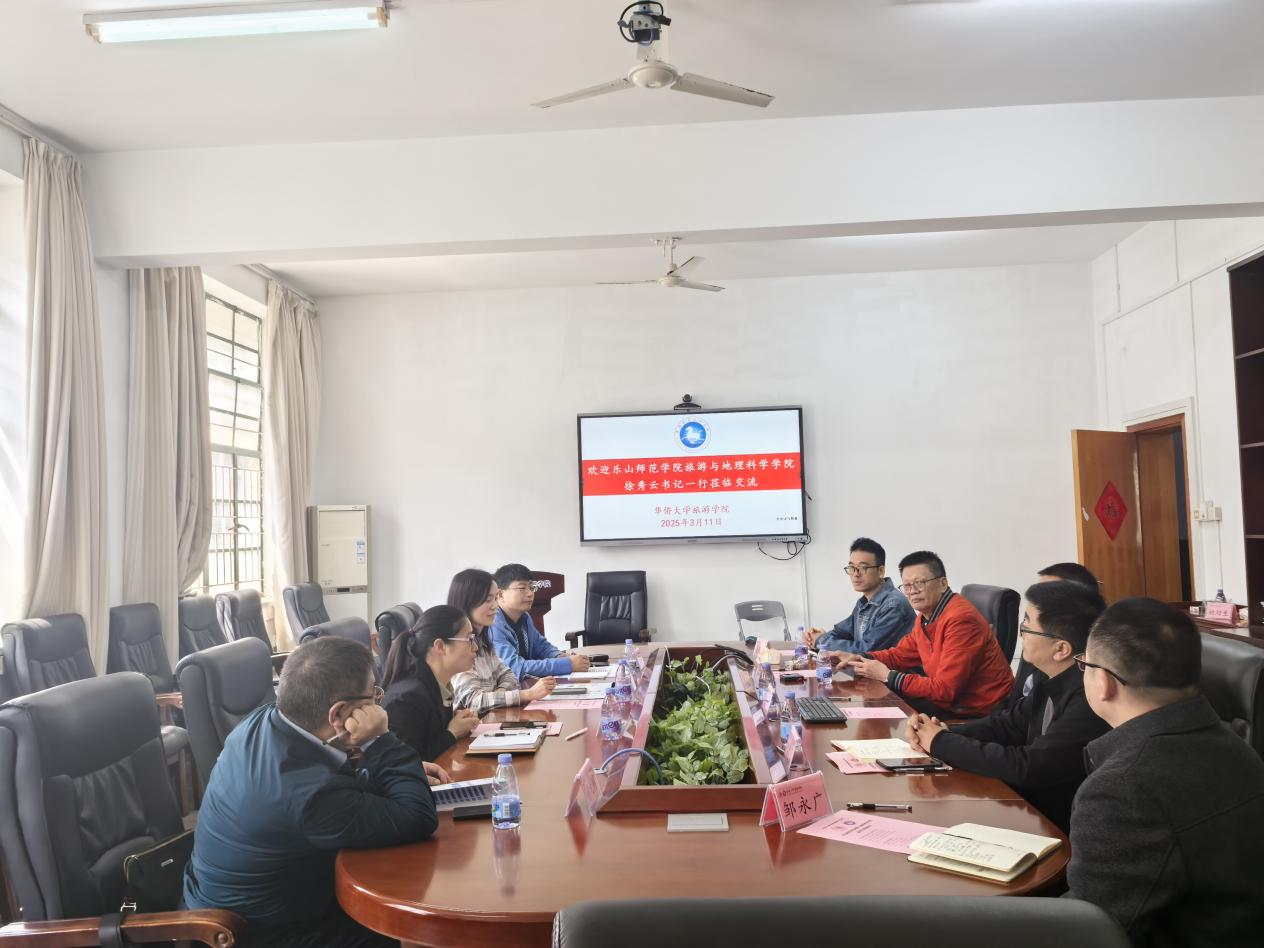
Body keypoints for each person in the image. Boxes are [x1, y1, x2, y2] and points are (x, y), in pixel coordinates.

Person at [183, 636, 440, 948]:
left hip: (238, 899)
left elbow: (327, 780)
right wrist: (381, 741)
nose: (378, 703)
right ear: (339, 714)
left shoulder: (262, 719)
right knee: (418, 930)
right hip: (260, 934)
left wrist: (392, 768)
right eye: (373, 695)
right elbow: (418, 817)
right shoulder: (310, 797)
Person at [1064, 598, 1264, 947]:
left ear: (1104, 682)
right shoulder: (1235, 745)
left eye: (1085, 665)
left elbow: (1084, 933)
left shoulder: (1122, 788)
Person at [905, 580, 1108, 831]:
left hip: (1057, 828)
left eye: (1027, 626)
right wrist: (941, 732)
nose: (1021, 633)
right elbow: (1009, 725)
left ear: (1061, 649)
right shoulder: (1048, 677)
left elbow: (1030, 767)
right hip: (1027, 810)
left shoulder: (1088, 699)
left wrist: (941, 742)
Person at [822, 550, 1013, 717]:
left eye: (919, 583)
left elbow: (945, 690)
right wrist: (859, 657)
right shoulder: (925, 617)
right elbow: (899, 655)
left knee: (880, 707)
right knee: (868, 706)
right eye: (907, 586)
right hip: (948, 702)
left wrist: (888, 676)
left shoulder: (961, 620)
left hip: (975, 711)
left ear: (943, 583)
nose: (912, 591)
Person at [448, 567, 557, 712]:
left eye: (495, 598)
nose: (495, 606)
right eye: (488, 600)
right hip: (474, 725)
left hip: (492, 718)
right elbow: (475, 702)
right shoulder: (458, 646)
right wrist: (528, 694)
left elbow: (509, 675)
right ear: (467, 602)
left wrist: (499, 694)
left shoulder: (482, 640)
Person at [382, 604, 481, 761]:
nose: (475, 647)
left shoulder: (437, 685)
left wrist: (457, 723)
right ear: (440, 646)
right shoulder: (407, 699)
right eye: (469, 639)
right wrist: (452, 733)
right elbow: (408, 764)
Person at [1009, 562, 1103, 705]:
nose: (1021, 635)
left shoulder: (1084, 697)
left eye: (1051, 593)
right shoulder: (1045, 667)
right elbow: (1015, 713)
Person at [805, 537, 915, 655]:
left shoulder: (893, 605)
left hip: (892, 667)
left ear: (881, 571)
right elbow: (840, 632)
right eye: (852, 567)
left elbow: (866, 651)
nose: (855, 574)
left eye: (863, 568)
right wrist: (817, 637)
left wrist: (821, 640)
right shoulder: (864, 602)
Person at [489, 562, 591, 679]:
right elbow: (514, 668)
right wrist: (566, 664)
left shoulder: (525, 617)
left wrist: (560, 656)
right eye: (522, 588)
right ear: (500, 594)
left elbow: (541, 647)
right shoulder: (493, 623)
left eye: (532, 588)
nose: (530, 594)